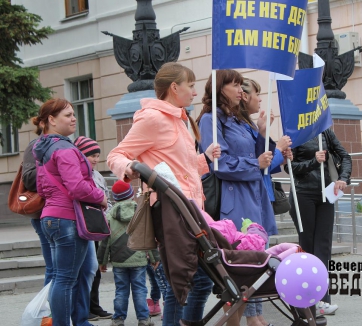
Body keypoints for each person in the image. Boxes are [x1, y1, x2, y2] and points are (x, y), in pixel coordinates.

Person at [107, 62, 221, 325]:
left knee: (199, 279)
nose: (194, 92)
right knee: (181, 284)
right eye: (190, 86)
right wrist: (132, 168)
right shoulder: (153, 118)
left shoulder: (178, 119)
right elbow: (117, 155)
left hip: (190, 210)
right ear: (174, 87)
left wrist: (203, 159)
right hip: (172, 211)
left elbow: (180, 166)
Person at [32, 98, 107, 326]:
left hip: (51, 217)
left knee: (61, 277)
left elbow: (41, 187)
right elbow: (76, 187)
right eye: (67, 115)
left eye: (74, 114)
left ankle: (75, 321)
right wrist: (100, 197)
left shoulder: (43, 148)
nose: (74, 118)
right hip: (67, 219)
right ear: (51, 121)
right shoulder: (64, 149)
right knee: (65, 279)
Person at [197, 70, 276, 236]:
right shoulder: (209, 120)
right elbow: (219, 164)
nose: (241, 90)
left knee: (259, 253)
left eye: (241, 85)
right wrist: (256, 164)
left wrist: (262, 132)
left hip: (254, 195)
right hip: (234, 200)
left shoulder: (238, 120)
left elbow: (261, 160)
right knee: (244, 253)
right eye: (235, 85)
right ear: (220, 88)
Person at [239, 77, 292, 326]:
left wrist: (264, 134)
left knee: (261, 259)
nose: (260, 99)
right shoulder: (239, 126)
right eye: (256, 94)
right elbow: (261, 164)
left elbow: (265, 163)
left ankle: (257, 316)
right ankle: (253, 318)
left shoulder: (248, 125)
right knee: (253, 260)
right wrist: (278, 149)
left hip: (263, 197)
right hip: (251, 199)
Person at [284, 126, 352, 316]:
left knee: (323, 247)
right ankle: (305, 300)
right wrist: (314, 161)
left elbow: (345, 156)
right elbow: (290, 168)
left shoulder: (326, 132)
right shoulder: (296, 132)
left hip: (325, 193)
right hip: (302, 194)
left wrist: (343, 178)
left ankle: (322, 300)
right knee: (307, 248)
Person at [97, 180, 158, 326]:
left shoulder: (110, 215)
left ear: (115, 198)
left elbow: (104, 242)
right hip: (139, 257)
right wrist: (155, 257)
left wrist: (102, 261)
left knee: (121, 290)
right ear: (131, 195)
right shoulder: (141, 212)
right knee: (140, 289)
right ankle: (143, 318)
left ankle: (118, 319)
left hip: (119, 260)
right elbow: (148, 235)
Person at [74, 136, 114, 320]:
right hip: (83, 226)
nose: (96, 159)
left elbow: (106, 197)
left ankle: (94, 305)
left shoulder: (97, 175)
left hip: (97, 226)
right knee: (85, 270)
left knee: (95, 270)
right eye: (91, 155)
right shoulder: (78, 174)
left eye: (97, 155)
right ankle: (83, 308)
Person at [21, 131, 53, 286]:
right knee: (54, 268)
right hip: (43, 214)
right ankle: (46, 309)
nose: (73, 119)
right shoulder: (36, 145)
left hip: (66, 213)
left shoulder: (65, 145)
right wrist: (52, 166)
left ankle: (83, 308)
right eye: (67, 116)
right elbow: (28, 178)